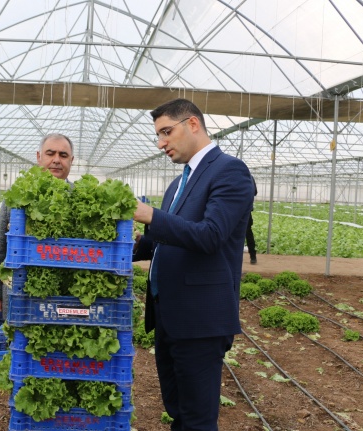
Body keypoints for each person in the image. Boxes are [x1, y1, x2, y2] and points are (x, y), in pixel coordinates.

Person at [133, 98, 254, 431]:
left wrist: (149, 215)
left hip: (200, 320)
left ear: (193, 124)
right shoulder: (177, 184)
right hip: (168, 314)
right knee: (178, 410)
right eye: (157, 136)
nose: (161, 144)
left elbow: (211, 236)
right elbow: (160, 241)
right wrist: (116, 249)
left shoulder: (230, 171)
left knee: (198, 419)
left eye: (166, 132)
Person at [0, 133, 74, 320]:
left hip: (67, 296)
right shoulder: (18, 194)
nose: (56, 160)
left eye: (63, 155)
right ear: (39, 157)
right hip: (19, 293)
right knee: (19, 344)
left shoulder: (81, 197)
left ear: (71, 161)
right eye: (50, 153)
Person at [246, 175, 258, 264]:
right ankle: (253, 257)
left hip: (234, 211)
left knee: (231, 234)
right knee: (248, 234)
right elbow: (255, 192)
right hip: (246, 211)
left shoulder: (232, 175)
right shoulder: (250, 177)